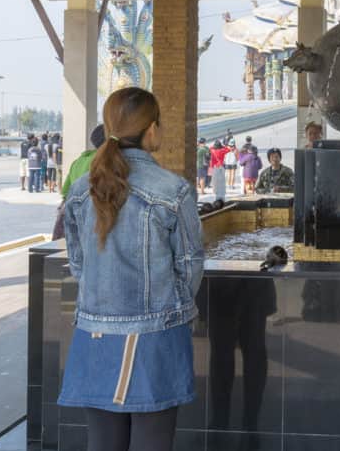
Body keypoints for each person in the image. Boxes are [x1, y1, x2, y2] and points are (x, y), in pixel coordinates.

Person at [58, 87, 203, 451]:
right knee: (153, 441)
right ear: (152, 129)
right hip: (155, 335)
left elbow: (78, 262)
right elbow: (189, 267)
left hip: (93, 332)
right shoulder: (173, 191)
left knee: (103, 442)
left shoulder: (80, 189)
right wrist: (171, 310)